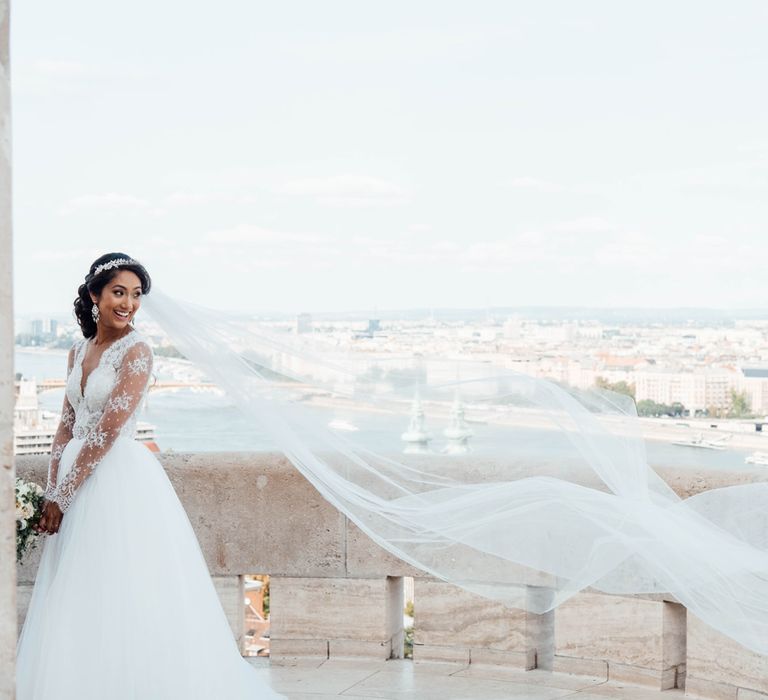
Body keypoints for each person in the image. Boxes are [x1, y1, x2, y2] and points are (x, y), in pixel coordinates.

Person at [16, 253, 285, 700]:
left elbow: (106, 431)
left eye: (136, 295)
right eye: (119, 292)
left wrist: (62, 494)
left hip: (115, 481)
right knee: (77, 589)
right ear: (93, 296)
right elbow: (67, 424)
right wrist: (52, 489)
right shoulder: (76, 351)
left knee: (120, 585)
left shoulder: (137, 351)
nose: (129, 304)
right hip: (72, 481)